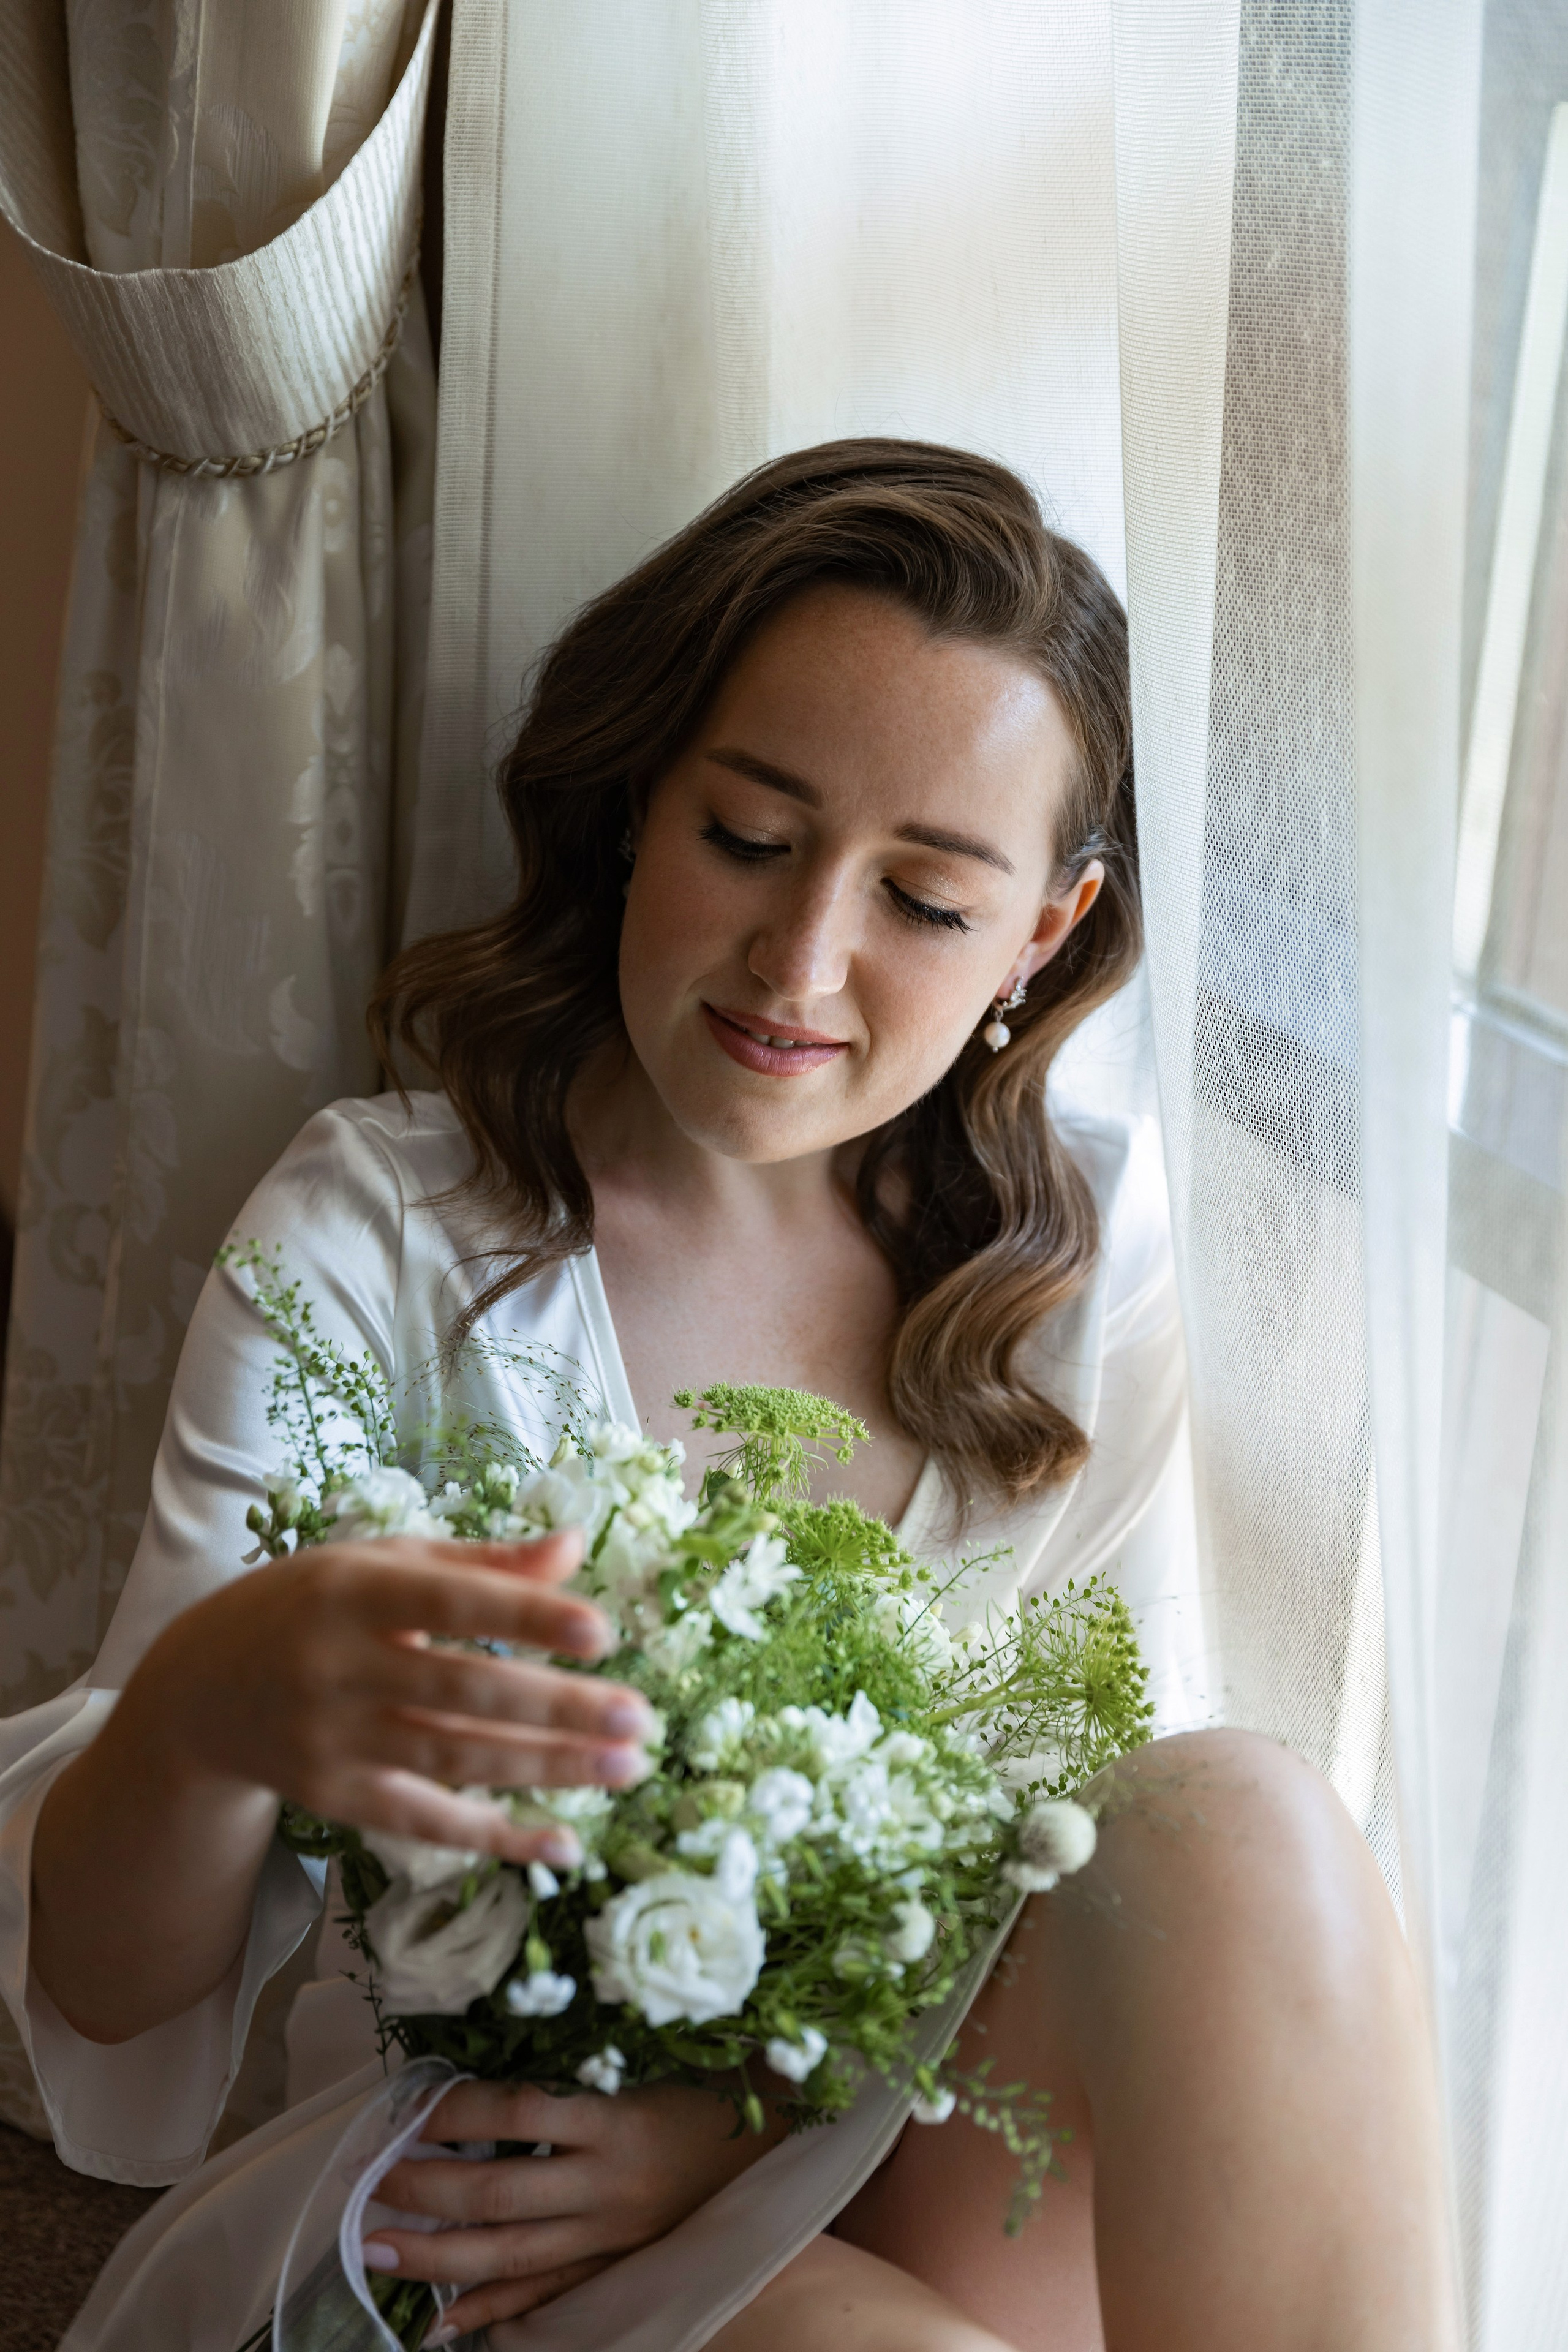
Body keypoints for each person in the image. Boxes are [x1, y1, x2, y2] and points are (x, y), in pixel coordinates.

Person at [0, 442, 1455, 2352]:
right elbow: (114, 2018)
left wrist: (748, 2118)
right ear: (635, 807)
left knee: (1237, 1825)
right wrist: (204, 1709)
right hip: (480, 2198)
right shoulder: (385, 1241)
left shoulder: (1093, 1277)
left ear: (1042, 935)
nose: (801, 958)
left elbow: (1080, 1883)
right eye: (750, 842)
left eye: (925, 902)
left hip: (885, 2141)